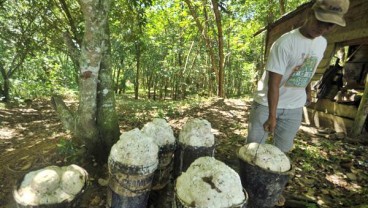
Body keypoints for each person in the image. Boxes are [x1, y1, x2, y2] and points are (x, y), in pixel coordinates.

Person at [246, 0, 350, 153]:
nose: (323, 28)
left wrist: (308, 91)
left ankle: (271, 177)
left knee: (282, 152)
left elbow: (308, 68)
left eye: (330, 25)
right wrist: (272, 116)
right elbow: (273, 84)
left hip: (294, 106)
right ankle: (245, 176)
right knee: (252, 150)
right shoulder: (285, 43)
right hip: (266, 105)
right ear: (310, 14)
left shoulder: (322, 43)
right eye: (320, 21)